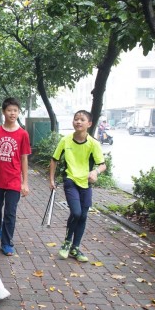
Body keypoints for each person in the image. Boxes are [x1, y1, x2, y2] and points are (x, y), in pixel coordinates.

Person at [49, 110, 106, 263]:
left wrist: (95, 172)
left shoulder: (93, 143)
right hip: (70, 180)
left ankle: (75, 247)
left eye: (82, 119)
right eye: (76, 119)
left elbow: (102, 165)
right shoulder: (65, 140)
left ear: (89, 124)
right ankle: (67, 243)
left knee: (84, 215)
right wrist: (51, 180)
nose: (78, 122)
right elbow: (54, 160)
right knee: (76, 212)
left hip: (86, 183)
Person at [0, 98, 31, 256]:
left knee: (10, 212)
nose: (12, 113)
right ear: (4, 112)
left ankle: (7, 243)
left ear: (18, 113)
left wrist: (25, 182)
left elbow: (24, 158)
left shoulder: (23, 134)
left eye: (15, 110)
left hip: (13, 180)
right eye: (9, 110)